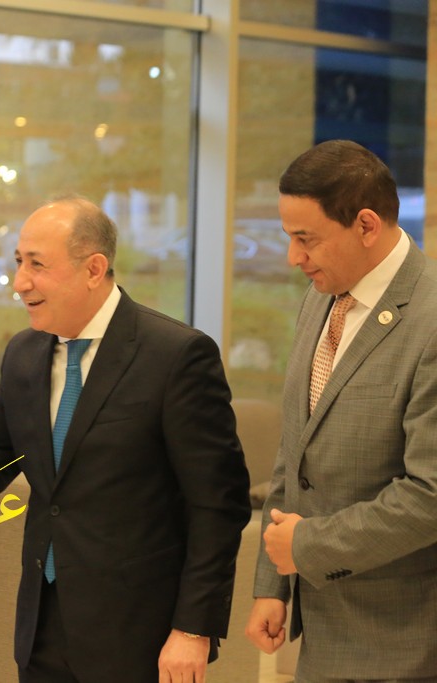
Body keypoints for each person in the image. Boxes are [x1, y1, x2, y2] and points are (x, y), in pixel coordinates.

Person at [0, 195, 252, 682]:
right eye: (18, 262)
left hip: (140, 632)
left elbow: (217, 504)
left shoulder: (176, 355)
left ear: (94, 269)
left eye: (37, 265)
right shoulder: (24, 353)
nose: (20, 282)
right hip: (43, 623)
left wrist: (193, 628)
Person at [245, 139, 437, 682]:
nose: (293, 257)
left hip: (404, 645)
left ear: (367, 225)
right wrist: (273, 584)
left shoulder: (430, 320)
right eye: (289, 237)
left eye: (306, 239)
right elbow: (295, 453)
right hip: (323, 639)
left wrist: (305, 547)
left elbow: (429, 494)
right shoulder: (322, 297)